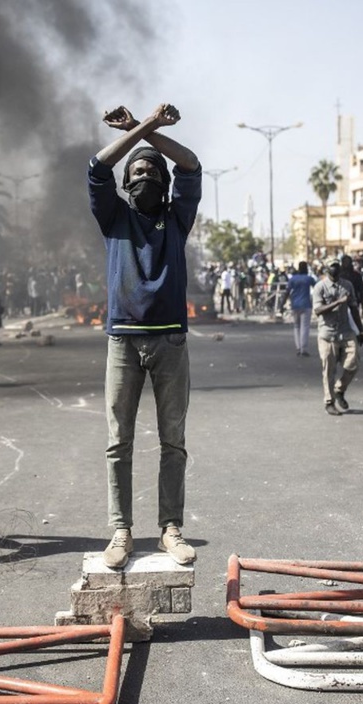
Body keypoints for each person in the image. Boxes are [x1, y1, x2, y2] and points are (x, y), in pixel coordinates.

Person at [88, 102, 201, 569]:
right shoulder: (114, 216)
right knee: (119, 443)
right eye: (135, 170)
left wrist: (145, 130)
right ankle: (121, 531)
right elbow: (97, 166)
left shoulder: (177, 217)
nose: (143, 175)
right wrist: (142, 128)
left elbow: (191, 164)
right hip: (123, 342)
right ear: (126, 183)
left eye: (151, 169)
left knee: (172, 441)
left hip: (170, 340)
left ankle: (170, 529)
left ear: (163, 182)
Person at [312, 258, 363, 416]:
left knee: (353, 363)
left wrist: (361, 331)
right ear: (326, 269)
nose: (335, 269)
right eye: (332, 267)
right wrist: (337, 302)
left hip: (346, 331)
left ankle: (339, 389)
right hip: (327, 333)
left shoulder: (347, 285)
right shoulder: (320, 287)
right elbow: (318, 310)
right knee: (329, 369)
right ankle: (329, 402)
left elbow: (354, 309)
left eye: (337, 266)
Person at [287, 261, 317, 356]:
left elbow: (287, 292)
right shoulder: (309, 279)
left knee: (296, 326)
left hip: (295, 305)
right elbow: (317, 288)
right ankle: (303, 349)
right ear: (306, 269)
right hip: (306, 304)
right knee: (305, 326)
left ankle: (298, 347)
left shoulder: (293, 279)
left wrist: (281, 304)